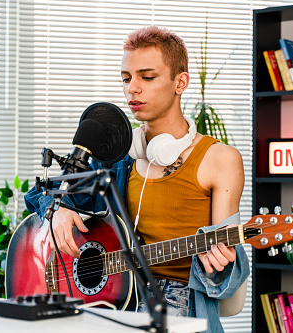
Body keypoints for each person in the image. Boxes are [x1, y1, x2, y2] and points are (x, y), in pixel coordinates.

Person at [25, 26, 249, 333]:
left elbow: (226, 270)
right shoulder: (116, 154)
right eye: (127, 78)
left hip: (180, 305)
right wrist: (59, 209)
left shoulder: (220, 159)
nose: (132, 89)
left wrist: (221, 263)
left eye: (147, 76)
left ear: (179, 82)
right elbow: (41, 193)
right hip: (113, 301)